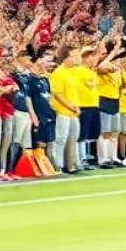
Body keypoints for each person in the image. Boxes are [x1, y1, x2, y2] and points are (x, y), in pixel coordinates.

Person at [49, 43, 83, 175]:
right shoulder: (58, 73)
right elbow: (57, 94)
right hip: (62, 110)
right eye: (73, 56)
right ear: (66, 57)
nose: (76, 59)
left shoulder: (72, 72)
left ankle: (72, 163)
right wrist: (71, 106)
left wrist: (76, 106)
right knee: (61, 138)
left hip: (73, 110)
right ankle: (58, 164)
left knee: (73, 138)